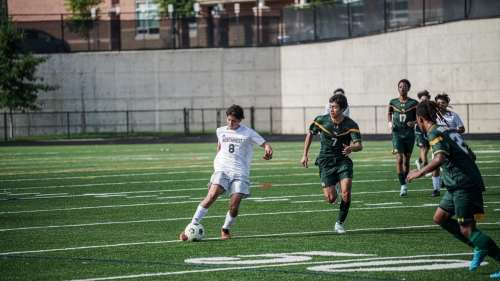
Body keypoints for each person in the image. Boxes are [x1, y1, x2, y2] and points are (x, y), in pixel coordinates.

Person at [407, 99, 500, 279]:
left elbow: (439, 158)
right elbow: (472, 155)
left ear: (419, 119)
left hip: (462, 184)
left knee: (467, 230)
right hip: (459, 183)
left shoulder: (434, 133)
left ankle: (488, 251)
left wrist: (419, 172)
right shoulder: (448, 130)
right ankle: (478, 247)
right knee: (440, 218)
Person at [180, 104, 273, 240]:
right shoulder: (221, 131)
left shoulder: (248, 133)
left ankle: (225, 228)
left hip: (240, 172)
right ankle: (192, 225)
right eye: (228, 119)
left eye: (234, 120)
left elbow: (266, 145)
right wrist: (219, 162)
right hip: (222, 169)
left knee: (234, 206)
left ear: (240, 120)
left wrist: (268, 151)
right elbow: (220, 146)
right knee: (211, 196)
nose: (230, 123)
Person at [301, 94, 363, 234]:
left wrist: (351, 148)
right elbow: (310, 134)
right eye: (330, 106)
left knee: (346, 192)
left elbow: (359, 145)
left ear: (343, 109)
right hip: (326, 161)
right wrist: (305, 154)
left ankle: (339, 223)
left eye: (335, 107)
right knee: (331, 199)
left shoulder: (351, 124)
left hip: (343, 161)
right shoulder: (321, 120)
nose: (331, 109)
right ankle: (333, 183)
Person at [387, 79, 419, 196]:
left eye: (405, 87)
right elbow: (389, 114)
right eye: (400, 87)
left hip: (409, 135)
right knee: (399, 159)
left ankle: (405, 182)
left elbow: (419, 118)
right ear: (398, 88)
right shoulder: (393, 102)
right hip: (397, 134)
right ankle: (403, 186)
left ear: (408, 89)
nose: (402, 89)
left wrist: (414, 122)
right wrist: (390, 124)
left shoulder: (414, 103)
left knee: (406, 161)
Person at [322, 88, 350, 203]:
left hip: (341, 135)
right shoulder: (329, 107)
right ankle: (334, 185)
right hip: (331, 136)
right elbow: (324, 118)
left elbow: (346, 119)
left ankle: (340, 182)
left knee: (341, 159)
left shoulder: (346, 108)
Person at [414, 90, 439, 196]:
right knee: (424, 149)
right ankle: (426, 167)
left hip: (430, 130)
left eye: (426, 99)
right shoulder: (417, 108)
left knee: (428, 150)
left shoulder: (432, 109)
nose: (424, 101)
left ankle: (419, 161)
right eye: (422, 99)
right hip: (420, 131)